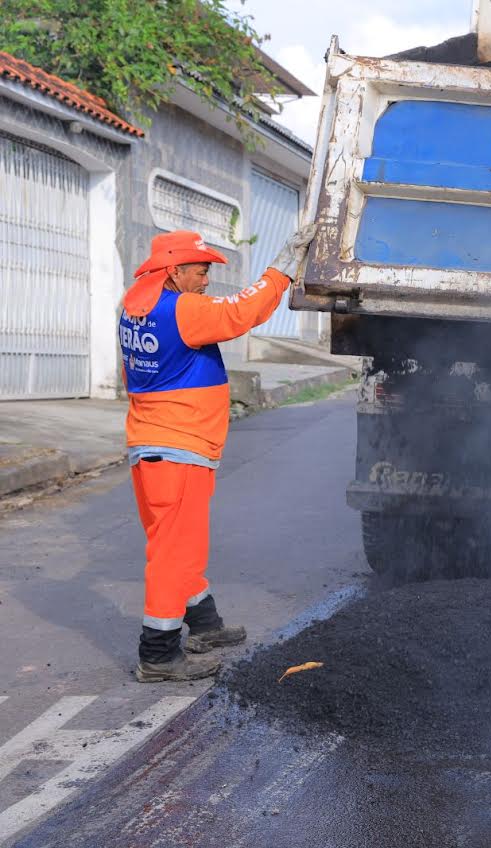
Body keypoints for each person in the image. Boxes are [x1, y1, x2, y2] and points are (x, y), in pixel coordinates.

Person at [119, 225, 316, 682]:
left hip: (151, 445)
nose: (207, 280)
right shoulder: (183, 311)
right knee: (172, 552)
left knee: (175, 544)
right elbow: (243, 311)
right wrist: (282, 268)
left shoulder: (134, 305)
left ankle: (204, 624)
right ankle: (159, 654)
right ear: (174, 270)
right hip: (179, 448)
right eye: (201, 270)